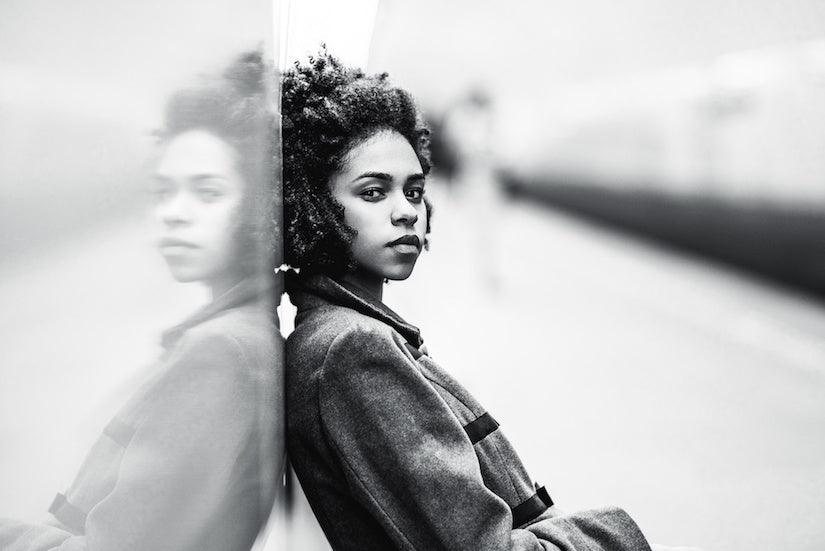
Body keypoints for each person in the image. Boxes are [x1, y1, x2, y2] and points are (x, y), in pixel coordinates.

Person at [281, 50, 667, 551]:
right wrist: (612, 533)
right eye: (373, 193)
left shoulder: (342, 332)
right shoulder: (353, 351)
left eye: (415, 191)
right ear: (309, 202)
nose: (406, 213)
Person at [0, 51, 283, 551]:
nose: (174, 213)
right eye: (164, 190)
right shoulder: (239, 335)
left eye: (207, 192)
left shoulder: (224, 355)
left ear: (263, 204)